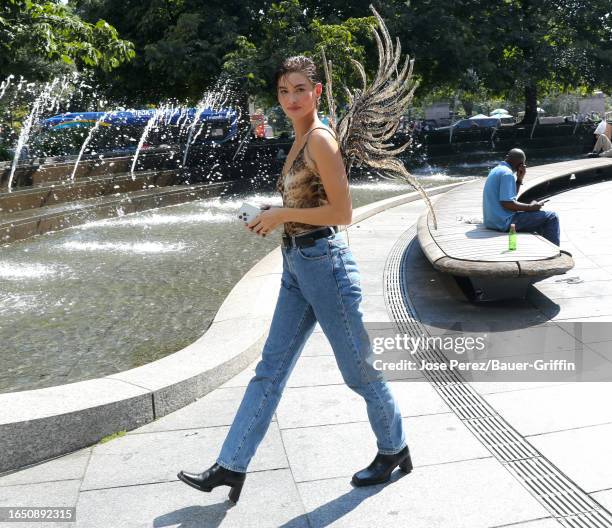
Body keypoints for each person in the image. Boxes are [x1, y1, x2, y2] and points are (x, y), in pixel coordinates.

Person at [177, 56, 411, 504]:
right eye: (284, 92)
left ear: (317, 92)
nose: (291, 99)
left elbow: (342, 214)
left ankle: (394, 448)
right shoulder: (299, 137)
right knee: (269, 370)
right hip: (296, 265)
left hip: (326, 264)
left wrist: (283, 214)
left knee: (359, 371)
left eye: (300, 90)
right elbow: (305, 198)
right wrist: (274, 211)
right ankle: (231, 466)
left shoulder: (321, 140)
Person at [483, 148, 560, 246]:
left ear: (507, 157)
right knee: (551, 217)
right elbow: (507, 203)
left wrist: (519, 179)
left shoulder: (496, 170)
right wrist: (530, 207)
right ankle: (554, 250)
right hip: (503, 222)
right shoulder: (507, 174)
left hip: (492, 221)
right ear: (521, 165)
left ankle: (544, 247)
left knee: (539, 218)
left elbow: (510, 196)